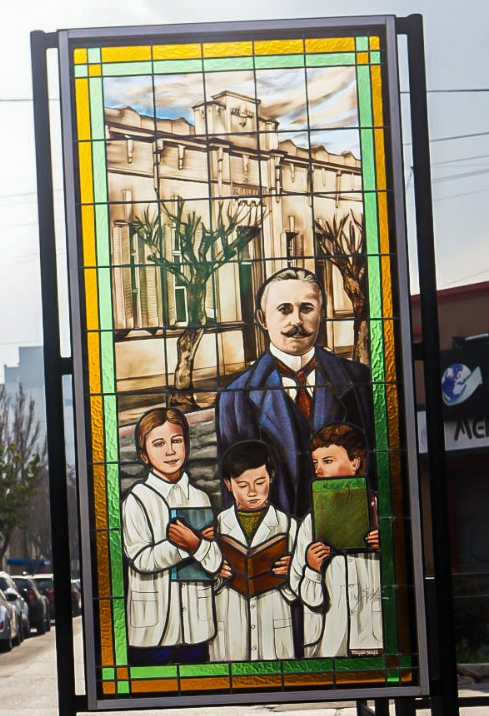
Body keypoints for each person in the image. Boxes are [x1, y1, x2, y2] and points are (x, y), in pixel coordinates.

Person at [215, 266, 376, 520]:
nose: (296, 321)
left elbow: (377, 468)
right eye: (285, 309)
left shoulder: (357, 380)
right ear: (262, 318)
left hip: (346, 533)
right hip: (278, 543)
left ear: (321, 314)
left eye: (307, 309)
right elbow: (232, 492)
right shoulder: (235, 397)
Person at [121, 406, 222, 664]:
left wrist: (197, 544)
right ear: (144, 455)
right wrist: (186, 546)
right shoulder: (136, 500)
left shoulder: (201, 498)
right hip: (154, 628)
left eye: (176, 441)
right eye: (159, 444)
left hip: (196, 625)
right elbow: (141, 559)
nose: (170, 451)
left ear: (186, 445)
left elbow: (213, 562)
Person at [289, 422, 383, 658]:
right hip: (328, 641)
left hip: (374, 635)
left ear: (355, 462)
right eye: (315, 463)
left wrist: (388, 550)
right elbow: (299, 591)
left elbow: (404, 585)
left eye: (327, 461)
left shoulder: (383, 515)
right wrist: (312, 568)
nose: (318, 470)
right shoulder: (310, 523)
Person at [209, 440, 297, 663]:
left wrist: (292, 572)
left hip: (274, 621)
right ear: (228, 484)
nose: (253, 492)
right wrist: (216, 574)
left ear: (271, 477)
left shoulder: (287, 525)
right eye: (242, 485)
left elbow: (304, 587)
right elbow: (202, 585)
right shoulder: (216, 526)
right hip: (230, 622)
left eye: (260, 482)